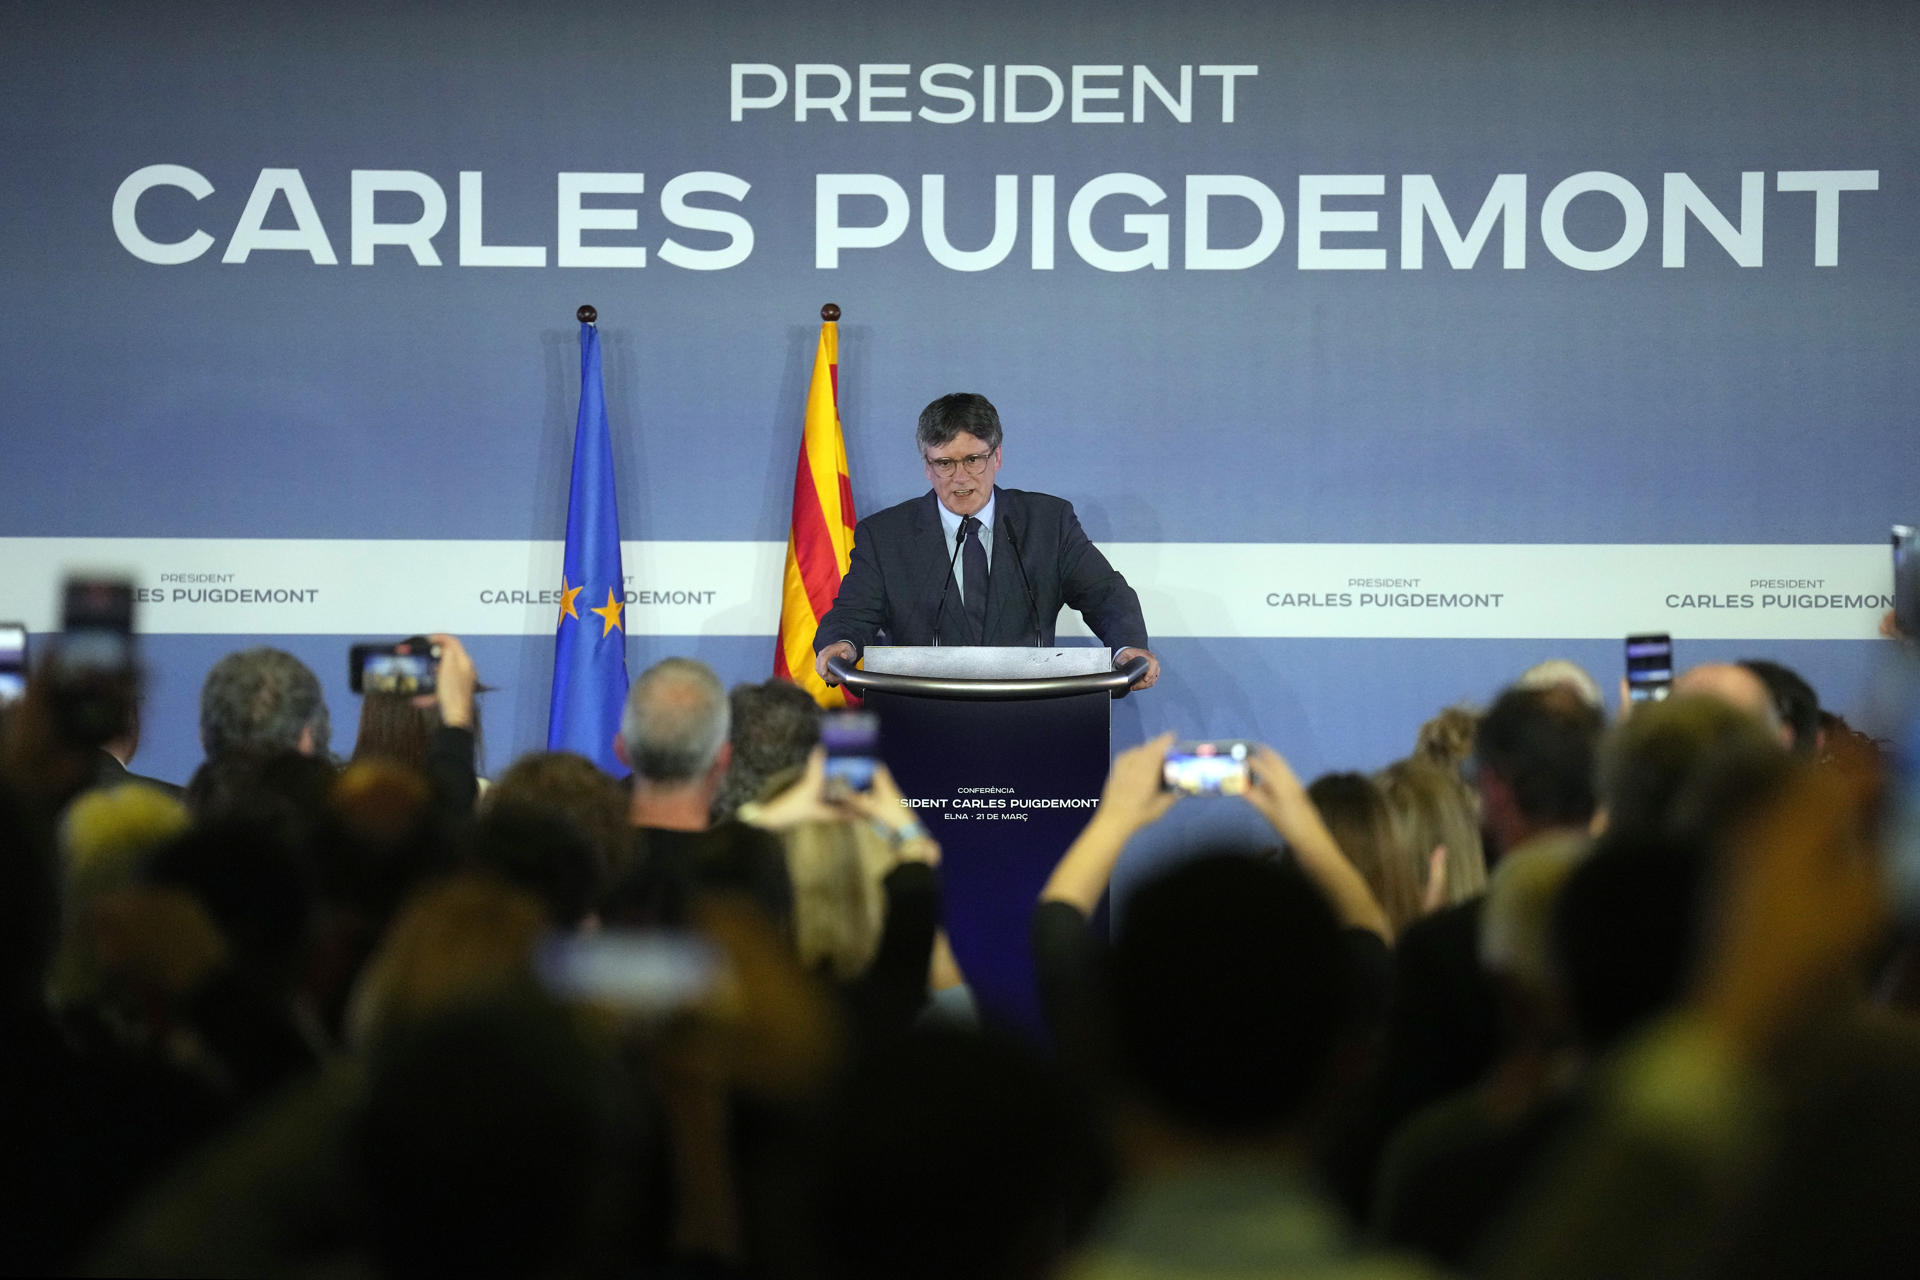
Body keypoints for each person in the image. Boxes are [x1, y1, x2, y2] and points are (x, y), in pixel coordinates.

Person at [813, 393, 1160, 690]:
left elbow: (1104, 594)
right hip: (921, 716)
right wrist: (841, 643)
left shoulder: (1048, 522)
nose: (960, 478)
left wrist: (1126, 647)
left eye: (973, 460)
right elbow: (854, 612)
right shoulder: (885, 535)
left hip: (1031, 715)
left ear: (996, 457)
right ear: (927, 467)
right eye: (945, 463)